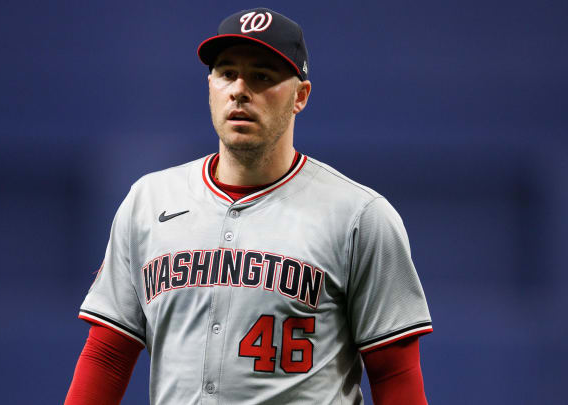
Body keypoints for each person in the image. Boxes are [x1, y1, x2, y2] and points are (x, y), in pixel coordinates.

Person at [65, 7, 432, 405]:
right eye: (227, 73)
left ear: (300, 96)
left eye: (262, 76)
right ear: (210, 87)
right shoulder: (149, 201)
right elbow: (107, 355)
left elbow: (394, 375)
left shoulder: (360, 216)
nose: (240, 89)